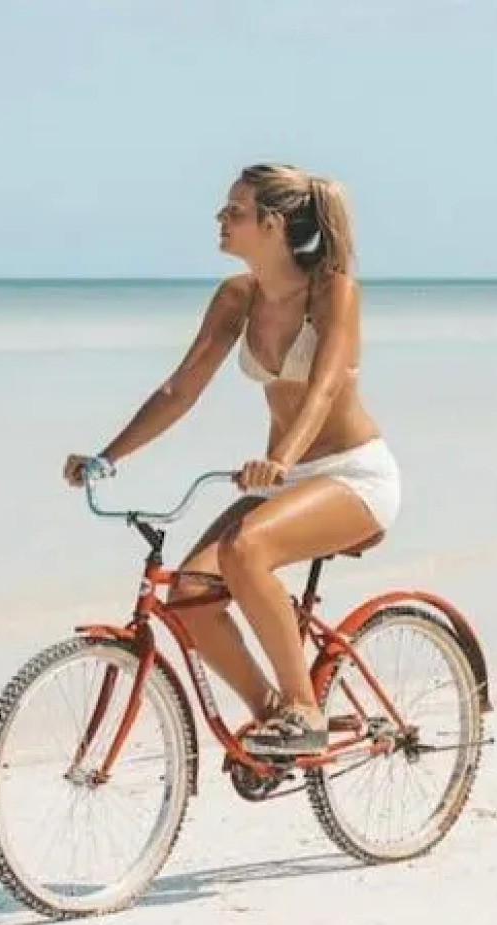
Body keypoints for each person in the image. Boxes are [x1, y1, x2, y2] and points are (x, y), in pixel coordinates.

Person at [61, 163, 400, 759]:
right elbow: (180, 390)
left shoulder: (333, 291)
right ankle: (271, 720)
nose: (220, 218)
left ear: (271, 225)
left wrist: (280, 460)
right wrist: (105, 458)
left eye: (234, 210)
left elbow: (321, 391)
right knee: (189, 595)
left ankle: (304, 710)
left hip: (352, 476)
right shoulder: (236, 298)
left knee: (246, 550)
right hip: (286, 482)